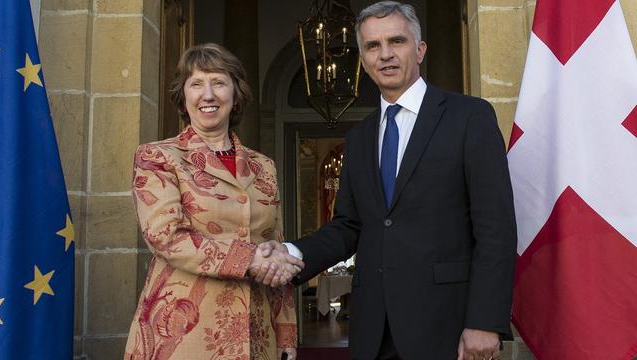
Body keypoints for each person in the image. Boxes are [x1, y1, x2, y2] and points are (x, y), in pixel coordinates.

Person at [258, 2, 517, 359]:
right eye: (373, 46)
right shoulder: (359, 138)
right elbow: (348, 226)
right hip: (372, 329)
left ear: (420, 49)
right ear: (363, 60)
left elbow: (496, 228)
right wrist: (291, 252)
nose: (386, 55)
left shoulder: (469, 117)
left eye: (397, 41)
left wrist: (485, 320)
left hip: (446, 323)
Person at [124, 43, 303, 360]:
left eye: (218, 82)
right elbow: (165, 237)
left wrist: (286, 331)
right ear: (184, 97)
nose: (208, 94)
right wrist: (250, 260)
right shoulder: (158, 156)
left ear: (235, 95)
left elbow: (275, 247)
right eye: (196, 84)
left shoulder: (264, 166)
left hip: (256, 332)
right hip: (181, 332)